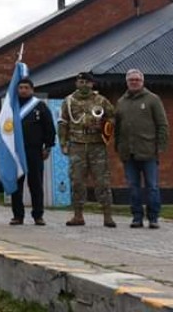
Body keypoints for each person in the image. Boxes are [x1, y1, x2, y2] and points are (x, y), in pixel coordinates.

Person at [58, 72, 116, 228]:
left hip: (97, 145)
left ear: (92, 84)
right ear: (77, 83)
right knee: (77, 181)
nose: (84, 85)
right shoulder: (68, 101)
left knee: (102, 180)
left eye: (87, 82)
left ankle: (108, 216)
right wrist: (63, 143)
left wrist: (103, 125)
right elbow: (63, 122)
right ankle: (78, 215)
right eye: (81, 82)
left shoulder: (101, 100)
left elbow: (113, 117)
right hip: (77, 145)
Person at [114, 69, 169, 229]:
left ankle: (153, 217)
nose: (134, 82)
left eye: (137, 80)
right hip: (128, 152)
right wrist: (117, 145)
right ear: (127, 82)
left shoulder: (153, 99)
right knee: (133, 186)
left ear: (142, 81)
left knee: (152, 186)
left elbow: (162, 124)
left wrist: (160, 146)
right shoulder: (121, 102)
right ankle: (136, 217)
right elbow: (117, 127)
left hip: (148, 150)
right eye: (131, 80)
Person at [9, 78, 55, 226]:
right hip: (16, 151)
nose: (23, 90)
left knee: (36, 183)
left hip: (34, 150)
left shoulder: (39, 106)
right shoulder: (11, 107)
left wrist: (48, 146)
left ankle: (38, 215)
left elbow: (49, 128)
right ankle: (18, 215)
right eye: (20, 87)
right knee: (16, 185)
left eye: (26, 88)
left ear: (32, 90)